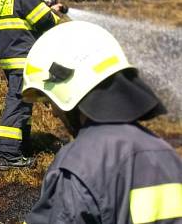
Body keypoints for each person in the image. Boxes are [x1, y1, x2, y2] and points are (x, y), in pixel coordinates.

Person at [22, 21, 182, 224]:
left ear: (69, 87)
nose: (53, 113)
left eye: (50, 102)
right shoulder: (166, 154)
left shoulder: (76, 167)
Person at [0, 0, 65, 170]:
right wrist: (54, 12)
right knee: (18, 104)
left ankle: (21, 146)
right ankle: (9, 156)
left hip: (9, 58)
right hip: (23, 58)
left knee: (23, 102)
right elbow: (45, 22)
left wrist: (45, 4)